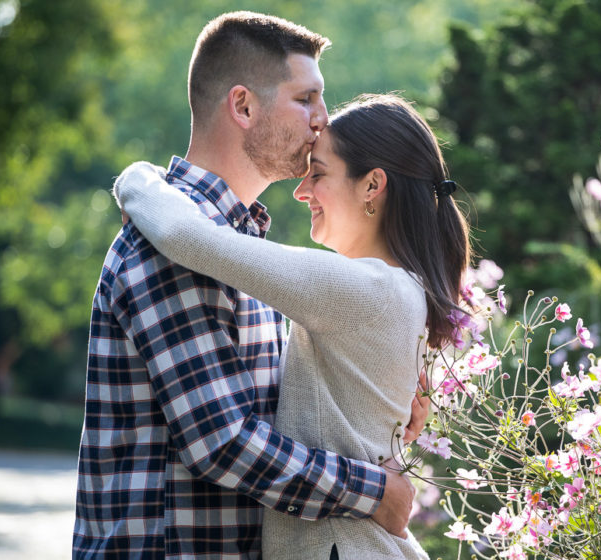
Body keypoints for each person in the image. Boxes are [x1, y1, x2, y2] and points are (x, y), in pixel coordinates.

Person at [73, 12, 424, 559]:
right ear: (242, 106)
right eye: (306, 99)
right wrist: (373, 492)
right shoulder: (172, 245)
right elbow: (221, 441)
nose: (322, 120)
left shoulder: (238, 249)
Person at [114, 93, 471, 559]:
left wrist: (136, 178)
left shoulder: (364, 289)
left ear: (372, 186)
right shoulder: (399, 289)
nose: (301, 192)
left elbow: (189, 238)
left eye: (317, 174)